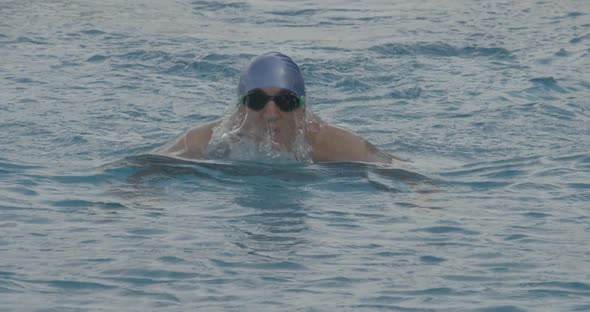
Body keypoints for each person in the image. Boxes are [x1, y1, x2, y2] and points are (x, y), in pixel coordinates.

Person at [155, 52, 398, 164]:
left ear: (302, 110)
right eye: (257, 100)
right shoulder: (203, 142)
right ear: (240, 109)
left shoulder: (333, 145)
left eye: (285, 101)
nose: (271, 114)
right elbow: (144, 167)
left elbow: (404, 173)